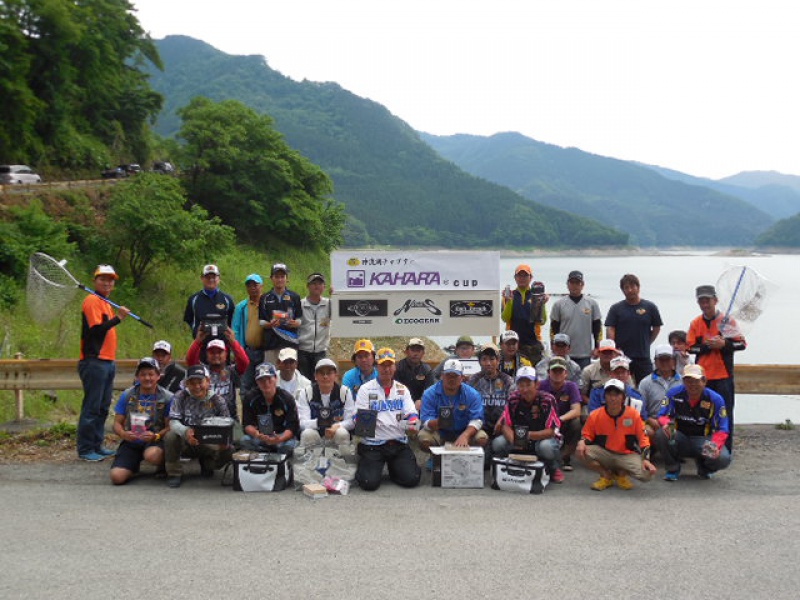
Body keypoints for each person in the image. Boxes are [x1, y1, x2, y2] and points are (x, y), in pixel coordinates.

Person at [348, 348, 421, 491]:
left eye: (390, 365)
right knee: (368, 483)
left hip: (398, 442)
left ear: (394, 367)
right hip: (373, 444)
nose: (386, 369)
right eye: (383, 365)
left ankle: (394, 468)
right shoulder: (365, 389)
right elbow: (357, 417)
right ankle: (373, 466)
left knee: (411, 479)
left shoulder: (402, 389)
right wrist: (365, 423)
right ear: (376, 366)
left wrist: (413, 423)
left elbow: (411, 413)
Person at [77, 264, 130, 461]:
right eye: (103, 279)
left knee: (102, 406)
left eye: (110, 280)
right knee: (91, 407)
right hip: (94, 361)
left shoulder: (105, 302)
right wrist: (118, 318)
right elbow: (96, 330)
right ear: (95, 281)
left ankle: (96, 445)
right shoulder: (92, 300)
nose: (107, 282)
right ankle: (85, 449)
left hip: (107, 362)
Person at [687, 284, 746, 453]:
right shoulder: (695, 323)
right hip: (702, 378)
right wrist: (707, 345)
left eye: (708, 300)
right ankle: (701, 449)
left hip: (723, 376)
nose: (705, 304)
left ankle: (725, 450)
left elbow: (741, 344)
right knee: (702, 414)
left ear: (715, 300)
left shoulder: (727, 322)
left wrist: (724, 344)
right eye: (701, 301)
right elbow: (690, 348)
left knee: (725, 413)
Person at [654, 364, 732, 481]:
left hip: (703, 439)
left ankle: (704, 468)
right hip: (680, 437)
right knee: (661, 434)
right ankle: (672, 469)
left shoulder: (715, 399)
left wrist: (716, 444)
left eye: (696, 381)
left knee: (723, 458)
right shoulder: (673, 393)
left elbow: (723, 428)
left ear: (704, 381)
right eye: (688, 380)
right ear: (683, 381)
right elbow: (661, 415)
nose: (692, 384)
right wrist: (666, 423)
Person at [576, 379, 656, 491]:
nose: (613, 398)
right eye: (609, 394)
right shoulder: (595, 415)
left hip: (626, 454)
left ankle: (621, 474)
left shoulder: (633, 415)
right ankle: (605, 476)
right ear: (605, 397)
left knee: (647, 474)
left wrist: (646, 459)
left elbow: (643, 438)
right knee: (581, 451)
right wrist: (582, 442)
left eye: (617, 394)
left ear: (623, 397)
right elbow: (587, 435)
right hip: (605, 453)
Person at [164, 365, 233, 488]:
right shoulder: (180, 396)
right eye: (192, 383)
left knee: (229, 448)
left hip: (209, 442)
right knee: (170, 436)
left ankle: (209, 464)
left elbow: (227, 424)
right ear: (186, 384)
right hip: (186, 440)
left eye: (200, 382)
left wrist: (222, 441)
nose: (196, 387)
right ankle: (174, 473)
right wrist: (185, 431)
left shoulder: (218, 400)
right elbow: (173, 422)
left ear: (208, 382)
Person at [493, 366, 564, 483]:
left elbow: (551, 431)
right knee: (498, 443)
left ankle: (554, 467)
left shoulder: (547, 400)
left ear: (536, 384)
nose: (525, 389)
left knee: (546, 447)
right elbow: (506, 425)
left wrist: (526, 436)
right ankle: (507, 467)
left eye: (528, 384)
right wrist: (515, 441)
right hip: (519, 438)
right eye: (521, 385)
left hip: (542, 438)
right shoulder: (513, 399)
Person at [110, 358, 172, 485]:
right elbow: (116, 423)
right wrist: (123, 434)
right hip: (132, 440)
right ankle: (132, 465)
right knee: (116, 477)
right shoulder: (127, 395)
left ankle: (163, 465)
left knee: (152, 455)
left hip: (155, 441)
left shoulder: (167, 397)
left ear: (158, 376)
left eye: (151, 374)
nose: (147, 378)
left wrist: (156, 436)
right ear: (137, 376)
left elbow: (170, 427)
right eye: (143, 374)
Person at [605, 273, 663, 384]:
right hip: (621, 356)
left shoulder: (650, 307)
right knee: (621, 386)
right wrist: (613, 348)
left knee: (647, 385)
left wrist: (647, 342)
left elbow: (656, 327)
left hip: (643, 356)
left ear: (638, 287)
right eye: (626, 288)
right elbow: (610, 328)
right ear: (622, 290)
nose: (630, 290)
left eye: (633, 286)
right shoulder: (616, 308)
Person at [185, 328, 249, 421]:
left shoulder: (231, 371)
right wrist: (197, 341)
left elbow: (244, 362)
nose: (215, 355)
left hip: (229, 419)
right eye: (212, 352)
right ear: (207, 355)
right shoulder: (202, 371)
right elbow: (190, 361)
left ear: (226, 354)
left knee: (241, 436)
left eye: (219, 352)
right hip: (205, 418)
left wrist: (233, 342)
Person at [467, 343, 514, 465]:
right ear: (479, 362)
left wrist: (503, 420)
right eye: (484, 359)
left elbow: (513, 406)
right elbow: (467, 404)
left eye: (492, 359)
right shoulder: (474, 380)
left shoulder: (507, 380)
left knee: (500, 450)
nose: (488, 363)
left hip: (501, 428)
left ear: (498, 361)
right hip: (480, 428)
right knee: (485, 464)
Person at [240, 363, 300, 455]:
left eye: (269, 379)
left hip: (281, 437)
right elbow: (247, 424)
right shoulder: (250, 398)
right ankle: (261, 457)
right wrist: (257, 434)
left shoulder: (287, 398)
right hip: (259, 437)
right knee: (244, 440)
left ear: (275, 378)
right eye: (261, 380)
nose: (266, 383)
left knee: (290, 445)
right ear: (257, 382)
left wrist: (279, 439)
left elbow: (292, 427)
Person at [296, 358, 356, 448]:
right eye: (321, 373)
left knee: (342, 433)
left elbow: (351, 421)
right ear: (315, 376)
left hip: (335, 433)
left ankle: (343, 460)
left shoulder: (345, 392)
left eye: (329, 373)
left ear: (335, 375)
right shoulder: (306, 393)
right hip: (315, 433)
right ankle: (308, 461)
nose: (325, 376)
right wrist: (318, 423)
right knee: (307, 433)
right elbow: (302, 423)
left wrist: (337, 426)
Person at [549, 270, 602, 369]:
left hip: (585, 354)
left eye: (577, 283)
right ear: (567, 284)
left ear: (582, 285)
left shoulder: (592, 304)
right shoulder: (559, 304)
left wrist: (597, 347)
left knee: (583, 383)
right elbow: (553, 328)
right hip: (563, 353)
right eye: (572, 283)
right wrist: (553, 345)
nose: (574, 286)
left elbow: (597, 328)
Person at [537, 357, 582, 471]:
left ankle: (565, 456)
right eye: (554, 371)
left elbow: (576, 410)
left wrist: (559, 419)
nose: (557, 374)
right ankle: (542, 454)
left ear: (565, 373)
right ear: (548, 373)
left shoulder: (571, 386)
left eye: (560, 371)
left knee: (577, 423)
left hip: (563, 422)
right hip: (544, 422)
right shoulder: (540, 386)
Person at [501, 264, 548, 364]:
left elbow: (542, 321)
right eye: (519, 275)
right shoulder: (508, 295)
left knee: (533, 376)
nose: (522, 278)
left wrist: (542, 304)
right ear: (515, 278)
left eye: (525, 275)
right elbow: (505, 318)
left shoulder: (536, 295)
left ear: (530, 278)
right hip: (513, 344)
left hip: (533, 344)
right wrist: (509, 301)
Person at [258, 263, 302, 366]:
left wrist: (295, 323)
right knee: (271, 376)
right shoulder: (264, 298)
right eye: (276, 277)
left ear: (287, 278)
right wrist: (270, 324)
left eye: (282, 276)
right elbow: (260, 321)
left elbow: (300, 319)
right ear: (271, 278)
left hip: (290, 344)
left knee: (289, 375)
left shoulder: (295, 297)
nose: (279, 280)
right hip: (271, 344)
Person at [231, 273, 265, 399]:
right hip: (248, 351)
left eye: (255, 285)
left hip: (265, 351)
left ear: (261, 286)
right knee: (245, 384)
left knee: (264, 383)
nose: (252, 288)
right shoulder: (241, 307)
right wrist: (238, 351)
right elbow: (235, 329)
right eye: (249, 285)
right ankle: (246, 414)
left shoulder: (267, 303)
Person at [638, 345, 682, 437]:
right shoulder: (645, 382)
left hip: (678, 422)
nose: (665, 362)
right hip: (653, 422)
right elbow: (640, 408)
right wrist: (650, 420)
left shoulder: (682, 381)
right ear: (655, 361)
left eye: (668, 359)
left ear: (673, 361)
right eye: (661, 359)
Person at [183, 264, 235, 338]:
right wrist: (196, 330)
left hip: (222, 345)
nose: (211, 280)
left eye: (213, 277)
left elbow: (232, 320)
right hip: (200, 344)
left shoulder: (227, 299)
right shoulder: (193, 299)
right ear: (202, 278)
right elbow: (189, 319)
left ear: (219, 279)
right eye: (207, 277)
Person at [297, 272, 332, 380]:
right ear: (308, 286)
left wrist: (335, 295)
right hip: (303, 351)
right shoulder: (300, 304)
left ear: (324, 287)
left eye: (320, 283)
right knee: (304, 381)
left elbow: (342, 312)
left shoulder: (329, 303)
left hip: (321, 351)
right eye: (313, 283)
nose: (317, 286)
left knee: (320, 381)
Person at [394, 337, 434, 410]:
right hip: (400, 404)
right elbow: (395, 390)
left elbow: (429, 391)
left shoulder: (427, 370)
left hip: (421, 406)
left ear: (423, 353)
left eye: (418, 351)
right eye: (413, 350)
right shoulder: (398, 368)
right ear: (406, 351)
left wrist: (422, 400)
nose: (415, 353)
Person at [579, 339, 620, 406]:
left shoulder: (621, 370)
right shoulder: (588, 371)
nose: (607, 355)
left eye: (610, 352)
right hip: (594, 406)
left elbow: (630, 391)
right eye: (604, 352)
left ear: (615, 354)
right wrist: (594, 405)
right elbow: (581, 395)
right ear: (598, 353)